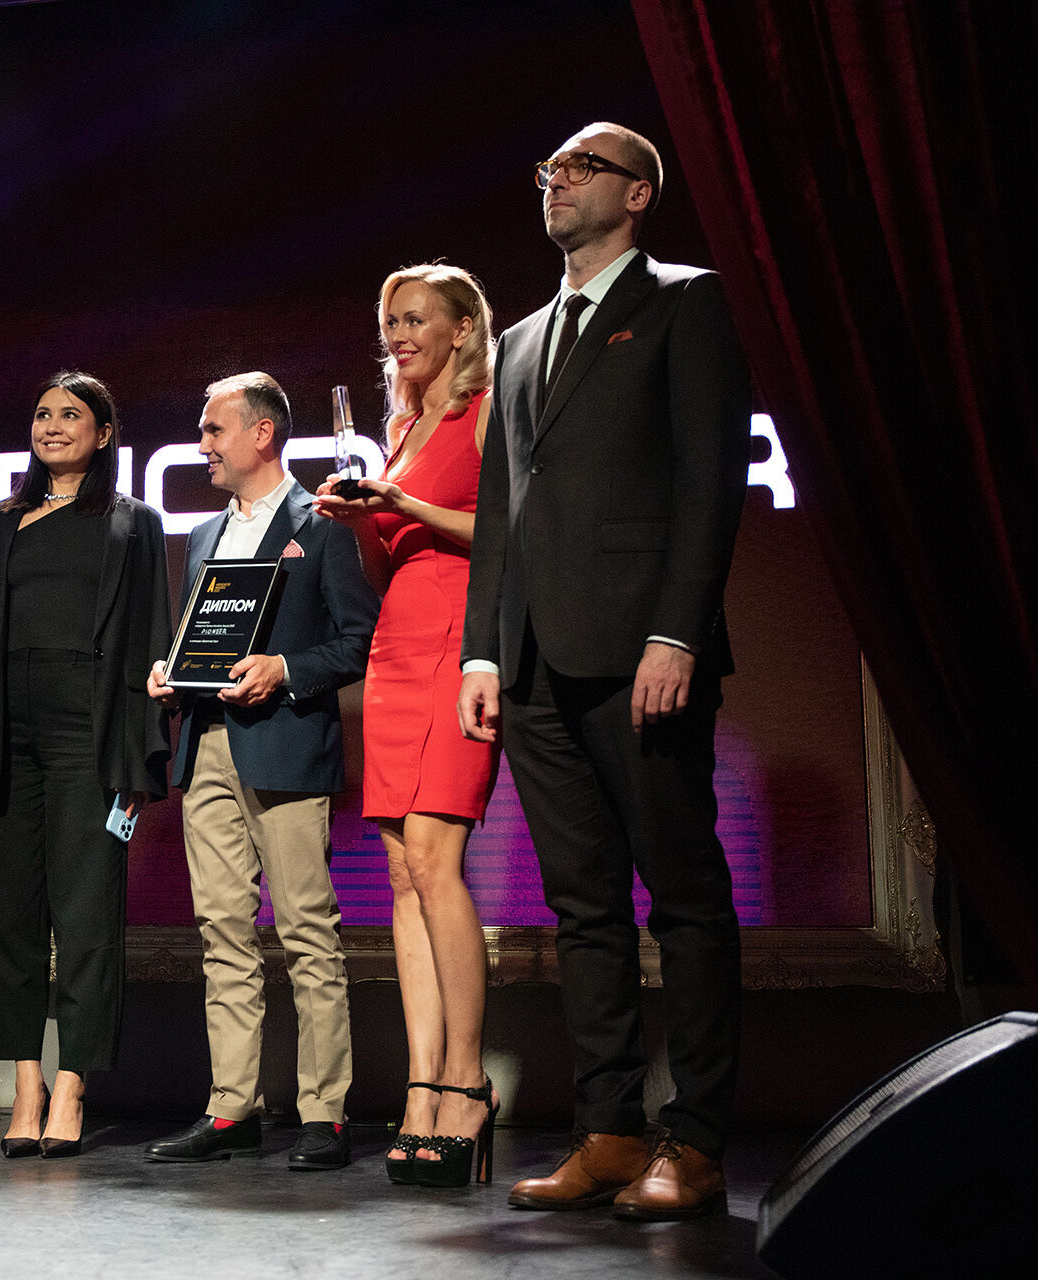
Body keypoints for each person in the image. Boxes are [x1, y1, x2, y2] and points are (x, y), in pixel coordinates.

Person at [458, 122, 752, 1220]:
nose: (558, 180)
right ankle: (612, 1132)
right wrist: (484, 648)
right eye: (550, 168)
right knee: (583, 908)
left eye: (583, 166)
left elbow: (709, 480)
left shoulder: (686, 300)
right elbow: (502, 509)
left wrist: (678, 632)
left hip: (642, 653)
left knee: (684, 896)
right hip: (535, 661)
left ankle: (700, 1140)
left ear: (637, 194)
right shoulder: (522, 339)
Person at [0, 372, 170, 1159]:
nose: (53, 425)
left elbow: (149, 638)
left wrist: (141, 752)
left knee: (87, 916)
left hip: (88, 735)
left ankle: (73, 1084)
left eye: (72, 414)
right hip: (2, 734)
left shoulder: (134, 523)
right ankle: (26, 1083)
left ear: (103, 434)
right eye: (43, 414)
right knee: (9, 914)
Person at [144, 372, 379, 1172]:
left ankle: (325, 1114)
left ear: (262, 433)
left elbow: (358, 641)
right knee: (222, 932)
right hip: (206, 743)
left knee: (307, 931)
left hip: (286, 745)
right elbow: (200, 635)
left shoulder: (321, 525)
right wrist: (170, 671)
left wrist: (285, 668)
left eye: (214, 430)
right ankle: (231, 1109)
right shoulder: (204, 535)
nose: (202, 446)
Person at [314, 265, 503, 1187]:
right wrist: (361, 519)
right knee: (399, 871)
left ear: (463, 329)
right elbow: (390, 563)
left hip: (462, 640)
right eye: (389, 320)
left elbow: (506, 532)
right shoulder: (397, 429)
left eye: (415, 318)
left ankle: (468, 1082)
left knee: (436, 860)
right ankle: (422, 1086)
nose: (397, 333)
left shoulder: (487, 413)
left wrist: (402, 504)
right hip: (396, 645)